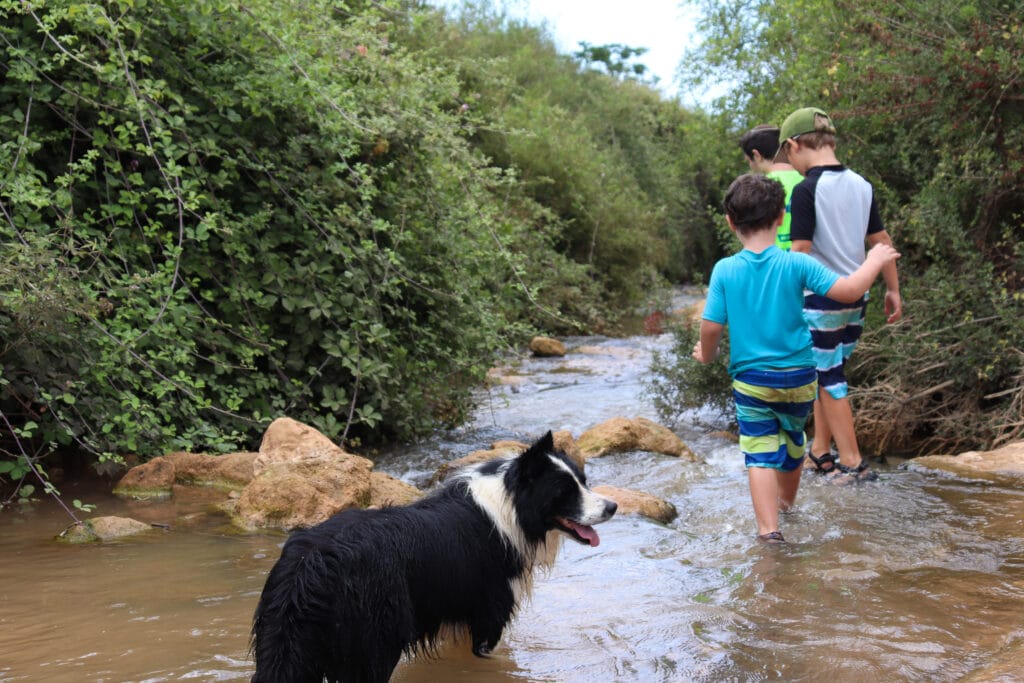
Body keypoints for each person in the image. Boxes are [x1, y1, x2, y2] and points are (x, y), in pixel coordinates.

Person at [692, 174, 900, 543]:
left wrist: (706, 356)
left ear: (729, 221)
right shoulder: (797, 264)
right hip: (801, 378)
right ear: (781, 218)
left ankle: (769, 531)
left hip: (752, 380)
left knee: (758, 453)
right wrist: (875, 258)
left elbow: (710, 328)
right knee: (792, 444)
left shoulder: (725, 269)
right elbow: (850, 290)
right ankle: (787, 505)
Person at [778, 107, 903, 485]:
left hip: (820, 299)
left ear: (794, 145)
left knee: (828, 376)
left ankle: (852, 461)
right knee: (827, 371)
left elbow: (799, 252)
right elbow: (880, 241)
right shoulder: (861, 184)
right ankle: (820, 450)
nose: (792, 164)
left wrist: (778, 296)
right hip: (857, 299)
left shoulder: (806, 189)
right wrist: (893, 288)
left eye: (790, 157)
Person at [739, 124, 804, 250]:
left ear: (756, 155)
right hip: (808, 263)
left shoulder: (759, 189)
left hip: (774, 265)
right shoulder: (807, 180)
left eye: (749, 161)